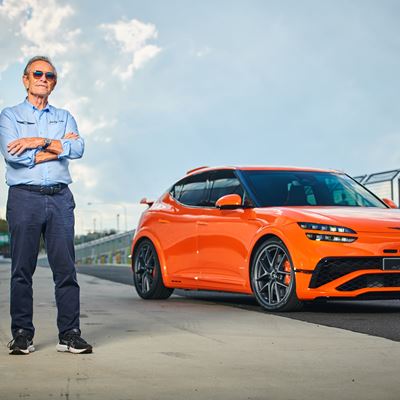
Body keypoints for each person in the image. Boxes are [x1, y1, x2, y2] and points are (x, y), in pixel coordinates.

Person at [0, 56, 92, 355]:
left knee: (65, 270)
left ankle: (70, 334)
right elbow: (13, 156)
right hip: (24, 197)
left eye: (49, 75)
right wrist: (55, 147)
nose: (43, 78)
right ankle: (23, 335)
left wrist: (36, 140)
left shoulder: (64, 116)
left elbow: (78, 148)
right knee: (21, 270)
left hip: (60, 198)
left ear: (54, 82)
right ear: (25, 80)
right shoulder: (10, 116)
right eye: (37, 73)